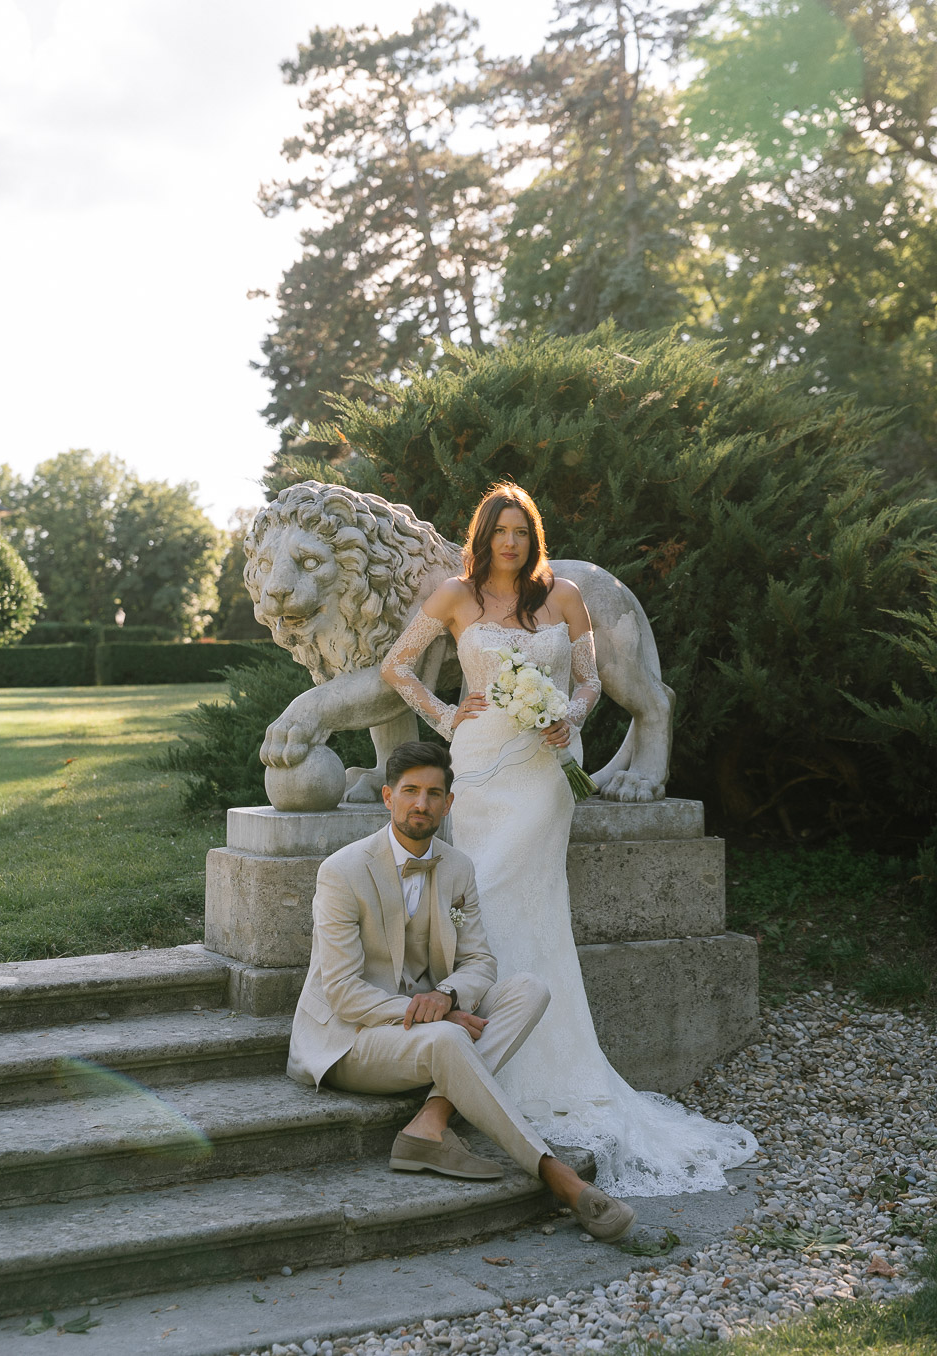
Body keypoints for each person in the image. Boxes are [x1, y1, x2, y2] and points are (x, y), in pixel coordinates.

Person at [380, 483, 757, 1197]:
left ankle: (503, 1073)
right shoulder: (456, 597)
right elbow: (396, 666)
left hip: (546, 774)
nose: (511, 543)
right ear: (484, 535)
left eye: (522, 531)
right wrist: (446, 715)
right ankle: (470, 1066)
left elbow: (586, 680)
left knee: (514, 904)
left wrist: (571, 718)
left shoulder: (564, 598)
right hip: (481, 769)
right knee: (480, 905)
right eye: (501, 530)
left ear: (534, 536)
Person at [287, 740, 636, 1242]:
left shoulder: (457, 867)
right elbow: (341, 992)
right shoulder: (342, 871)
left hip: (427, 1025)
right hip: (350, 1040)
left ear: (449, 803)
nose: (421, 804)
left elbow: (480, 962)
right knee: (449, 1040)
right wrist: (432, 1016)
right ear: (387, 797)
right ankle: (558, 1177)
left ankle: (431, 1119)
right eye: (409, 791)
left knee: (530, 989)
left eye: (433, 794)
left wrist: (447, 997)